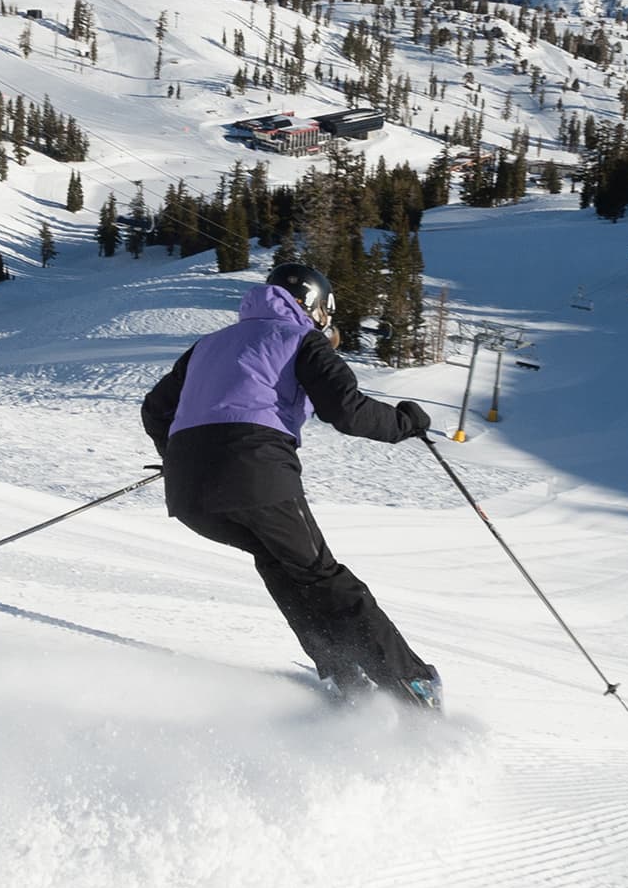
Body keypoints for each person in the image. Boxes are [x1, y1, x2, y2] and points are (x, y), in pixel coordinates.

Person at [141, 262, 443, 710]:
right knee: (322, 574)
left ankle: (347, 674)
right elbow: (347, 411)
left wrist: (182, 456)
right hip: (256, 472)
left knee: (280, 561)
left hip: (190, 493)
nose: (326, 320)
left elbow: (154, 408)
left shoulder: (207, 345)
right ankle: (409, 684)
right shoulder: (300, 339)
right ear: (312, 304)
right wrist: (407, 424)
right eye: (326, 310)